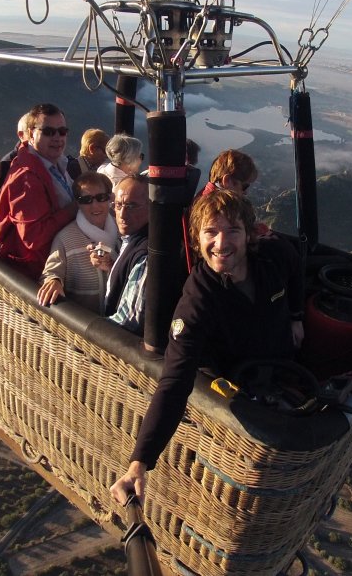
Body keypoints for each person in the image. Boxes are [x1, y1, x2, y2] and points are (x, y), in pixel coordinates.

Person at [110, 189, 305, 505]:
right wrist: (140, 462)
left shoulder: (274, 257)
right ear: (197, 240)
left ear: (249, 235)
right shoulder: (197, 301)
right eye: (211, 232)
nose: (221, 243)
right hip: (239, 384)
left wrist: (297, 316)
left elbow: (296, 270)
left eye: (232, 231)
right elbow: (174, 382)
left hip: (284, 366)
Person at [0, 103, 78, 280]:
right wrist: (74, 209)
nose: (57, 137)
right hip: (34, 274)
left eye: (62, 131)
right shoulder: (26, 177)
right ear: (31, 134)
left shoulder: (55, 163)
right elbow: (33, 237)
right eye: (48, 132)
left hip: (56, 264)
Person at [37, 172, 118, 312]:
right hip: (86, 322)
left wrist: (110, 264)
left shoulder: (122, 229)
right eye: (86, 200)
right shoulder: (65, 238)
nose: (95, 205)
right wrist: (54, 281)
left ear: (109, 198)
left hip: (121, 319)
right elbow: (51, 273)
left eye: (101, 197)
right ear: (77, 203)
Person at [93, 176, 150, 339]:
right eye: (118, 205)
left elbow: (127, 322)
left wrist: (82, 327)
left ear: (150, 207)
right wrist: (111, 267)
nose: (123, 214)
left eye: (131, 206)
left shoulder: (145, 255)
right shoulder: (132, 239)